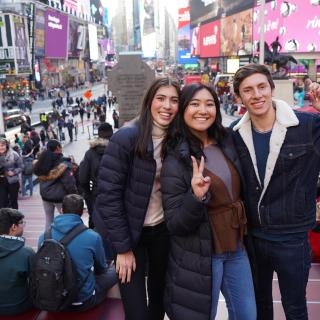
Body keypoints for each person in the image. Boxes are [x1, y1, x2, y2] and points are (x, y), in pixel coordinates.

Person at [230, 63, 320, 320]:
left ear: (271, 89)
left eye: (261, 87)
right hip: (253, 239)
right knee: (259, 308)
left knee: (294, 308)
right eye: (248, 90)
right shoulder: (234, 133)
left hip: (292, 240)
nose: (256, 95)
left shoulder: (307, 125)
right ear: (239, 97)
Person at [160, 83, 256, 320]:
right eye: (194, 104)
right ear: (183, 110)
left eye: (209, 104)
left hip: (236, 246)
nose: (203, 110)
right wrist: (196, 196)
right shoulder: (176, 158)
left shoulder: (228, 141)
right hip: (202, 253)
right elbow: (175, 224)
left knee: (247, 315)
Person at [94, 77, 180, 320]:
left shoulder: (177, 139)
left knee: (158, 302)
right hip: (130, 236)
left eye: (174, 100)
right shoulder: (126, 138)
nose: (167, 106)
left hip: (162, 233)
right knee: (136, 310)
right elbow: (108, 197)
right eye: (161, 99)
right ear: (149, 101)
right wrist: (122, 249)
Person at [38, 194, 117, 311]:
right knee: (116, 270)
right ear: (82, 212)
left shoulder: (44, 236)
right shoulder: (93, 237)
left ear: (62, 210)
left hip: (52, 299)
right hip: (83, 301)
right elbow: (101, 269)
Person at [33, 139, 78, 229]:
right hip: (59, 197)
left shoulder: (41, 161)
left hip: (45, 196)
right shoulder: (63, 163)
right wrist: (75, 195)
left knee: (49, 219)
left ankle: (47, 239)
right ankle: (65, 240)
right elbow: (69, 183)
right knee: (66, 219)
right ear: (58, 148)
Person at [0, 208, 35, 316]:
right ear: (13, 227)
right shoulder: (26, 253)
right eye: (21, 223)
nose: (23, 225)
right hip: (16, 305)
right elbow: (36, 281)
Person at [79, 122, 113, 229]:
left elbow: (83, 178)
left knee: (95, 221)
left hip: (97, 193)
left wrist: (89, 194)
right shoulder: (119, 149)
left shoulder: (90, 153)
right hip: (116, 194)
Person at [0, 139, 23, 209]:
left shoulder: (14, 154)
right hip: (1, 181)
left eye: (2, 145)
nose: (1, 147)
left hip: (12, 181)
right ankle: (4, 219)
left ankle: (15, 219)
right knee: (2, 202)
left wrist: (14, 172)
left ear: (6, 145)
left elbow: (21, 167)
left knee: (13, 202)